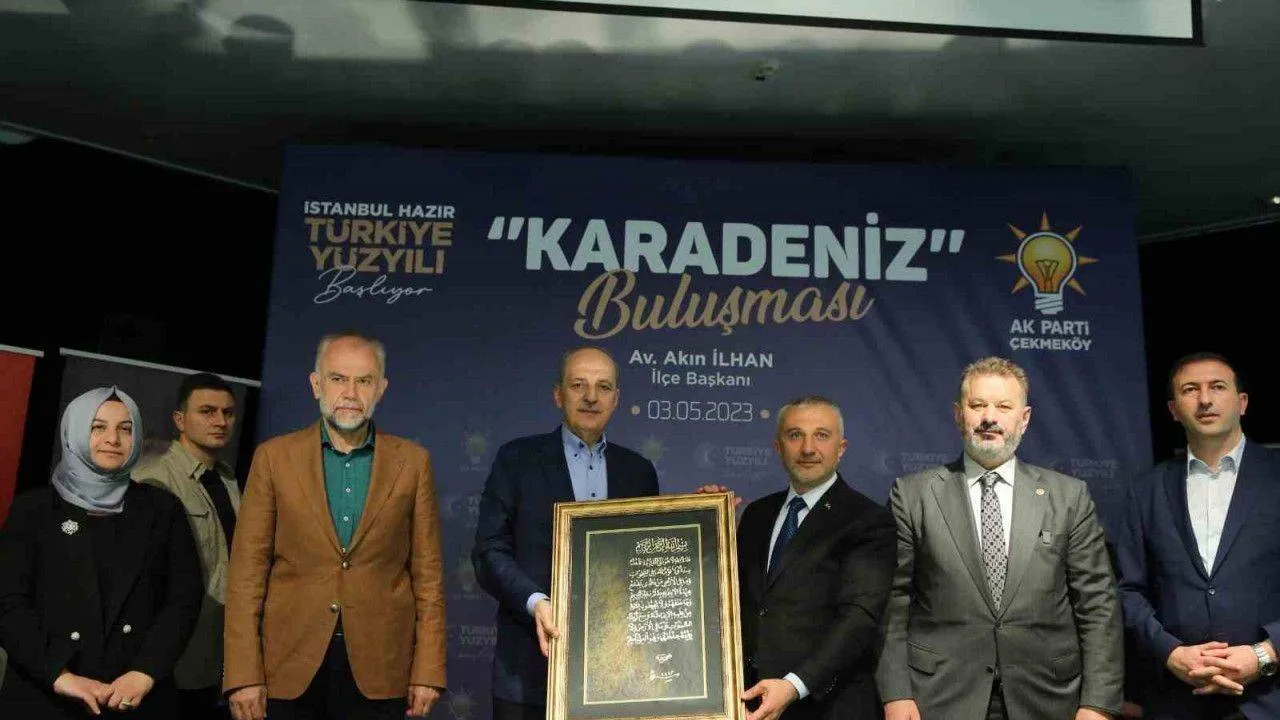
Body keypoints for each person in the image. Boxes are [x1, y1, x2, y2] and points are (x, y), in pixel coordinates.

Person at [876, 356, 1123, 719]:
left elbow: (1098, 606)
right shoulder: (912, 495)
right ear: (958, 414)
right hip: (939, 698)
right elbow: (892, 604)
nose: (989, 417)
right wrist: (896, 694)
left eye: (1004, 407)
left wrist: (1097, 704)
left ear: (1024, 418)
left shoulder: (1069, 496)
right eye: (977, 405)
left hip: (1049, 699)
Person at [223, 332, 446, 720]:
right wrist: (243, 674)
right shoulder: (274, 458)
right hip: (286, 666)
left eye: (364, 381)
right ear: (316, 384)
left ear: (381, 389)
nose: (351, 393)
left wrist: (428, 671)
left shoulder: (413, 463)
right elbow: (246, 575)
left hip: (382, 667)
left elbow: (428, 577)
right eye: (338, 378)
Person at [472, 346, 659, 720]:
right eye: (578, 385)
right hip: (529, 670)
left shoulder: (638, 471)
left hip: (616, 676)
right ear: (558, 395)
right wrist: (535, 602)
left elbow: (649, 563)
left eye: (603, 387)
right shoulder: (517, 459)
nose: (591, 397)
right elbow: (489, 551)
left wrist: (705, 512)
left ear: (617, 399)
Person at [0, 386, 202, 718]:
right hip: (46, 695)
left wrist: (144, 672)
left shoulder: (162, 510)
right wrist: (59, 675)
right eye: (98, 427)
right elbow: (8, 603)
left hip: (134, 696)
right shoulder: (33, 510)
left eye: (126, 428)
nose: (113, 439)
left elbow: (184, 600)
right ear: (75, 432)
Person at [1116, 352, 1280, 719]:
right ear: (1173, 409)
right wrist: (1171, 653)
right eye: (1190, 390)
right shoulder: (1145, 490)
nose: (1205, 399)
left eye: (1217, 387)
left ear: (1242, 402)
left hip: (1270, 699)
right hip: (1177, 701)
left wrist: (1266, 654)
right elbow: (1128, 590)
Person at [735, 396, 895, 720]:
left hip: (828, 707)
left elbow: (858, 619)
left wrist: (794, 685)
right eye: (795, 435)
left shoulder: (868, 520)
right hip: (751, 702)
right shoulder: (755, 514)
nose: (808, 448)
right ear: (778, 447)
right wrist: (708, 521)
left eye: (821, 435)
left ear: (841, 448)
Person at [133, 372, 241, 719]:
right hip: (167, 655)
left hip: (213, 647)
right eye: (207, 411)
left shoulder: (227, 478)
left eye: (227, 412)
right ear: (180, 420)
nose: (220, 421)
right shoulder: (154, 478)